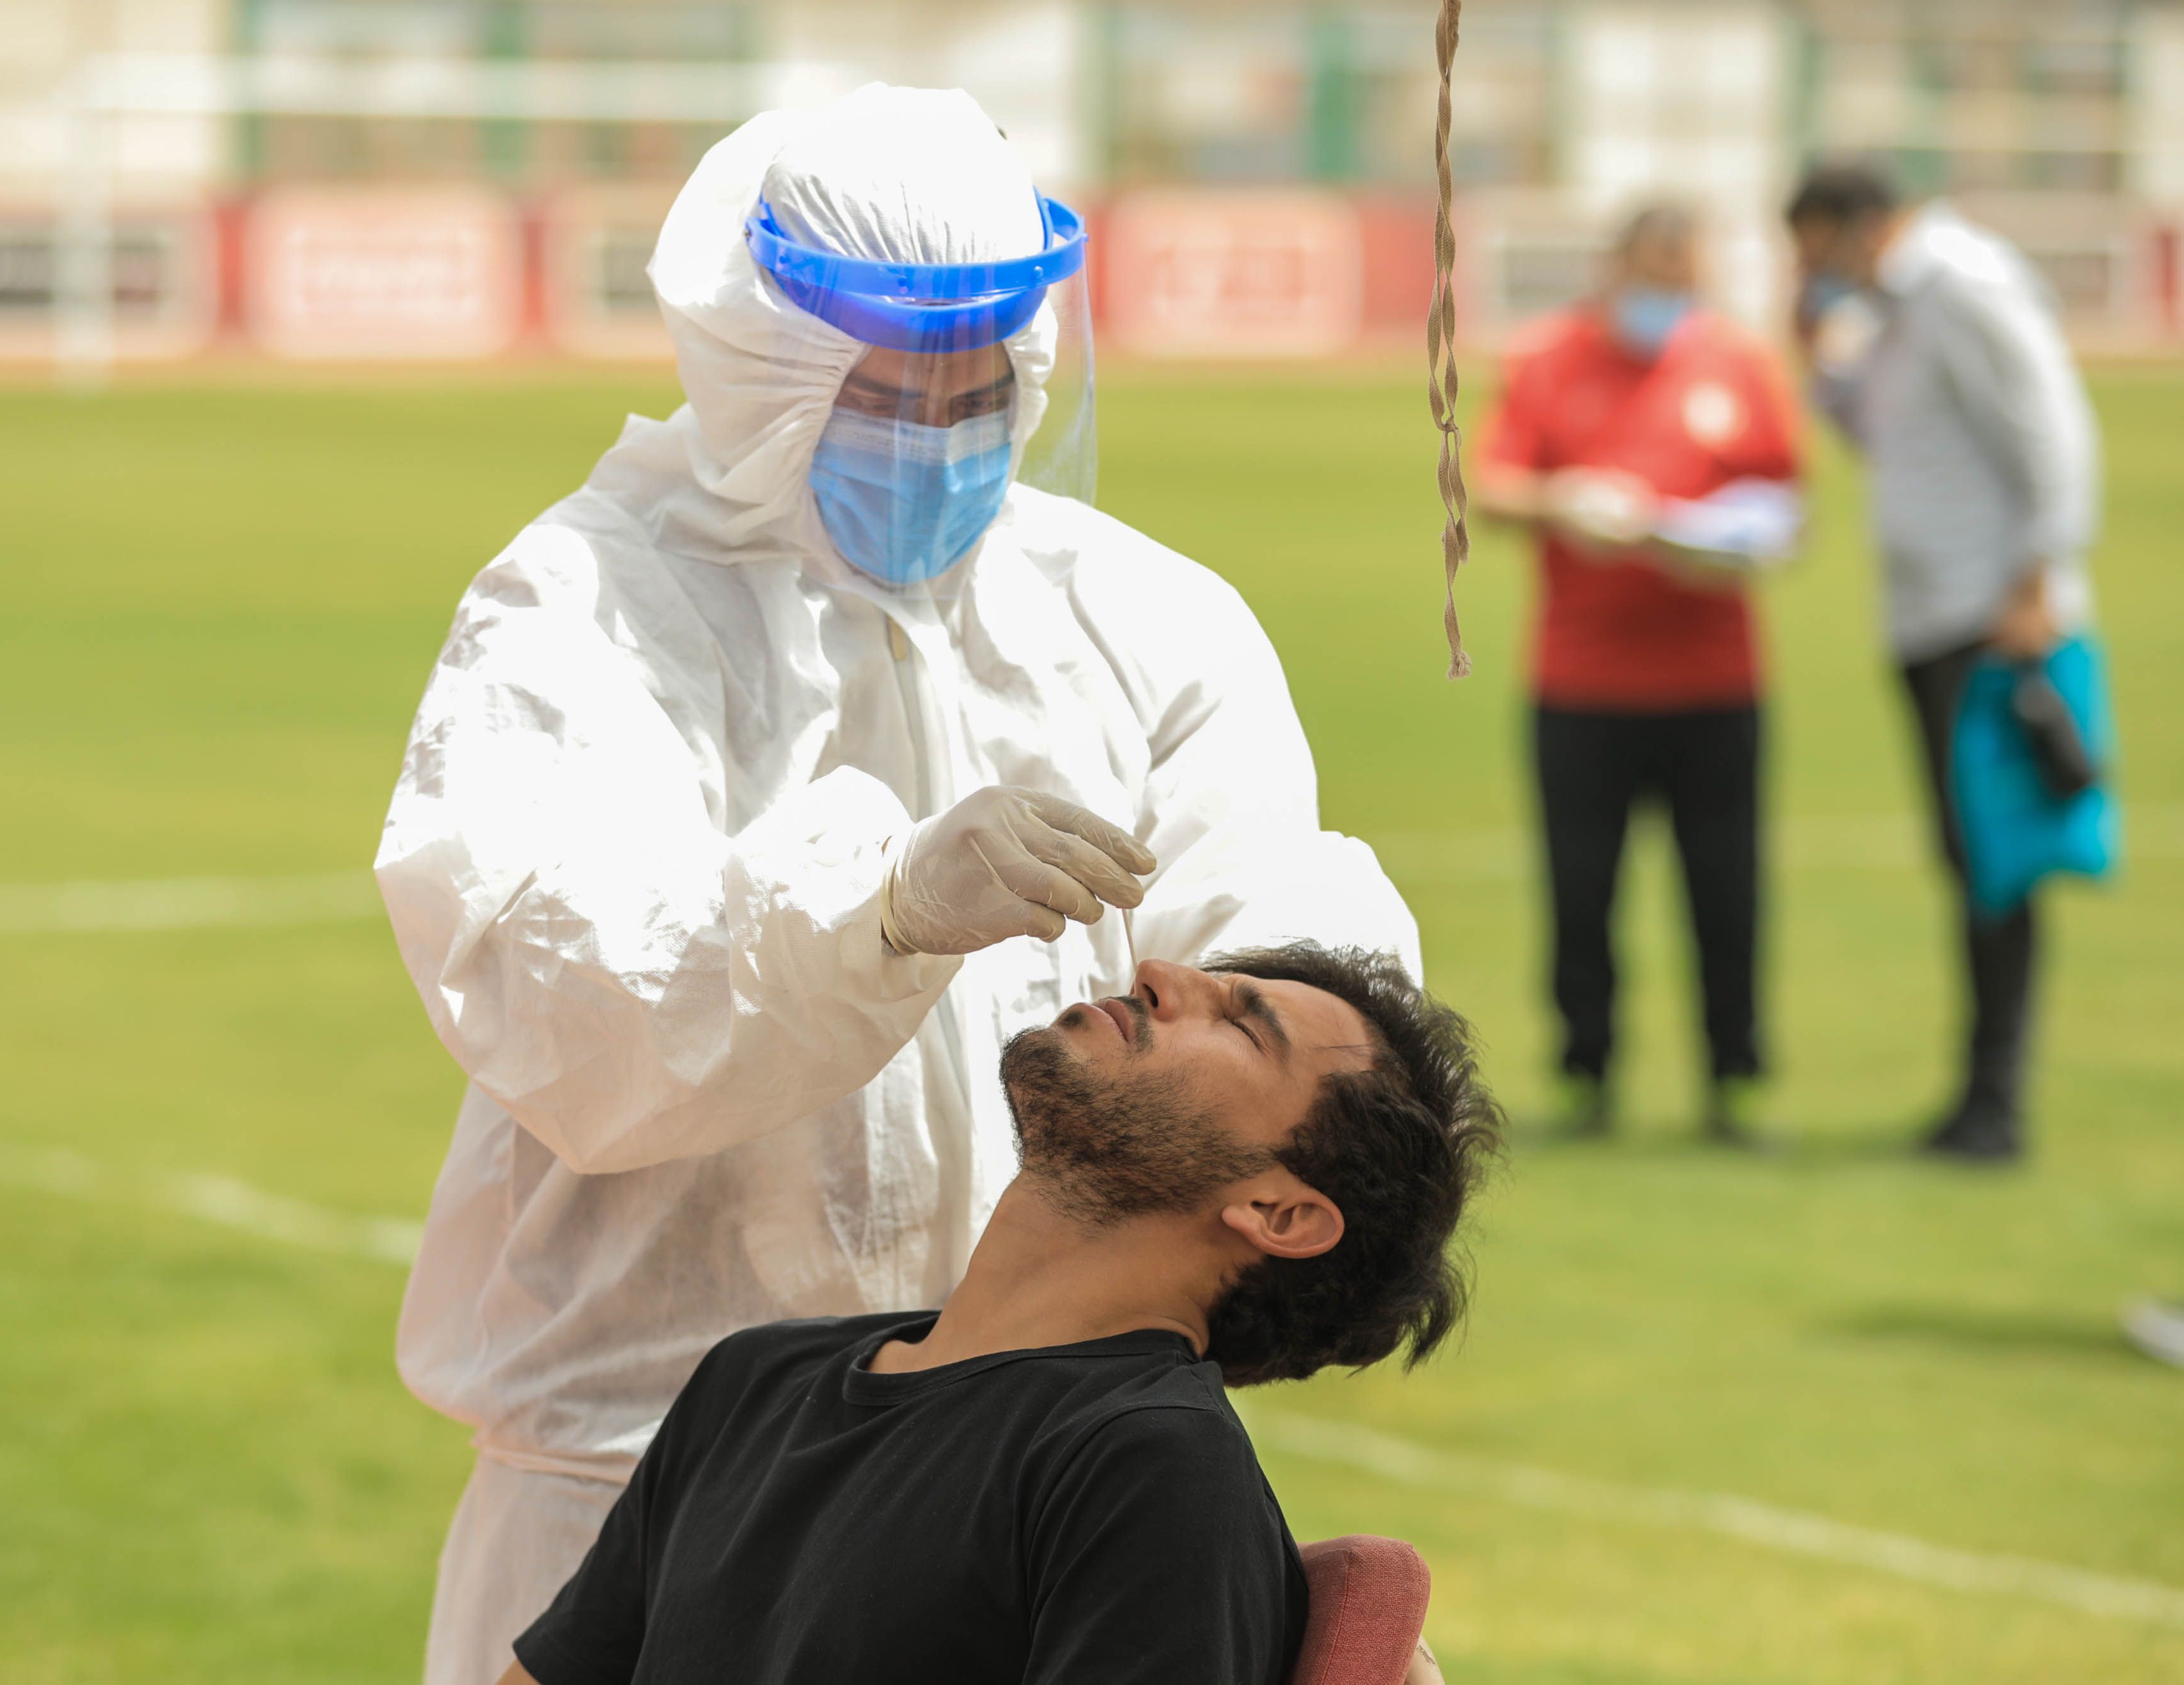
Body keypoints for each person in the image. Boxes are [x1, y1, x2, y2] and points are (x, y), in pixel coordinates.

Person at [376, 84, 1423, 1685]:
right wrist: (875, 911)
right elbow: (562, 1004)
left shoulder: (1140, 620)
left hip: (1021, 1484)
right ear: (761, 358)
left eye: (975, 385)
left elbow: (1296, 1030)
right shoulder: (590, 609)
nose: (936, 430)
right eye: (880, 389)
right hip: (631, 1457)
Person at [496, 943, 1494, 1685]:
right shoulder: (754, 1379)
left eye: (1239, 1024)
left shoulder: (1149, 1465)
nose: (1156, 974)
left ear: (1279, 1212)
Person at [1786, 163, 2101, 1162]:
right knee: (1969, 859)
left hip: (1990, 617)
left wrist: (2036, 578)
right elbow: (1893, 439)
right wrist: (1820, 364)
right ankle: (1979, 1098)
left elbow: (2048, 422)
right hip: (1932, 618)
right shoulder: (1895, 306)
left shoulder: (1962, 282)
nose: (1811, 271)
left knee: (1997, 860)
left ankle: (1994, 1106)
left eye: (1813, 249)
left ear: (1856, 226)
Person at [1471, 206, 1805, 1146]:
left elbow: (1787, 505)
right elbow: (1491, 488)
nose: (1669, 294)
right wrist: (1563, 503)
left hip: (1716, 682)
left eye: (1683, 278)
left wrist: (1723, 543)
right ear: (1613, 267)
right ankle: (1587, 1077)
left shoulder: (1737, 363)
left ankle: (1735, 1084)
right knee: (1581, 894)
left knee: (1727, 895)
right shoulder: (1548, 360)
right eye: (1655, 274)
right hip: (1582, 684)